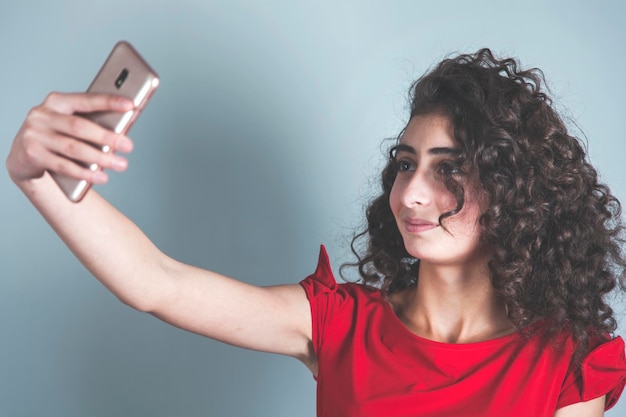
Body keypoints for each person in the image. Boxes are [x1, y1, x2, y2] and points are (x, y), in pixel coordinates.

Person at [6, 48, 626, 416]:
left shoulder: (566, 365)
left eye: (450, 169)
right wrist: (35, 178)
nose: (409, 192)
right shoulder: (338, 324)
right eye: (406, 163)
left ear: (514, 190)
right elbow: (155, 283)